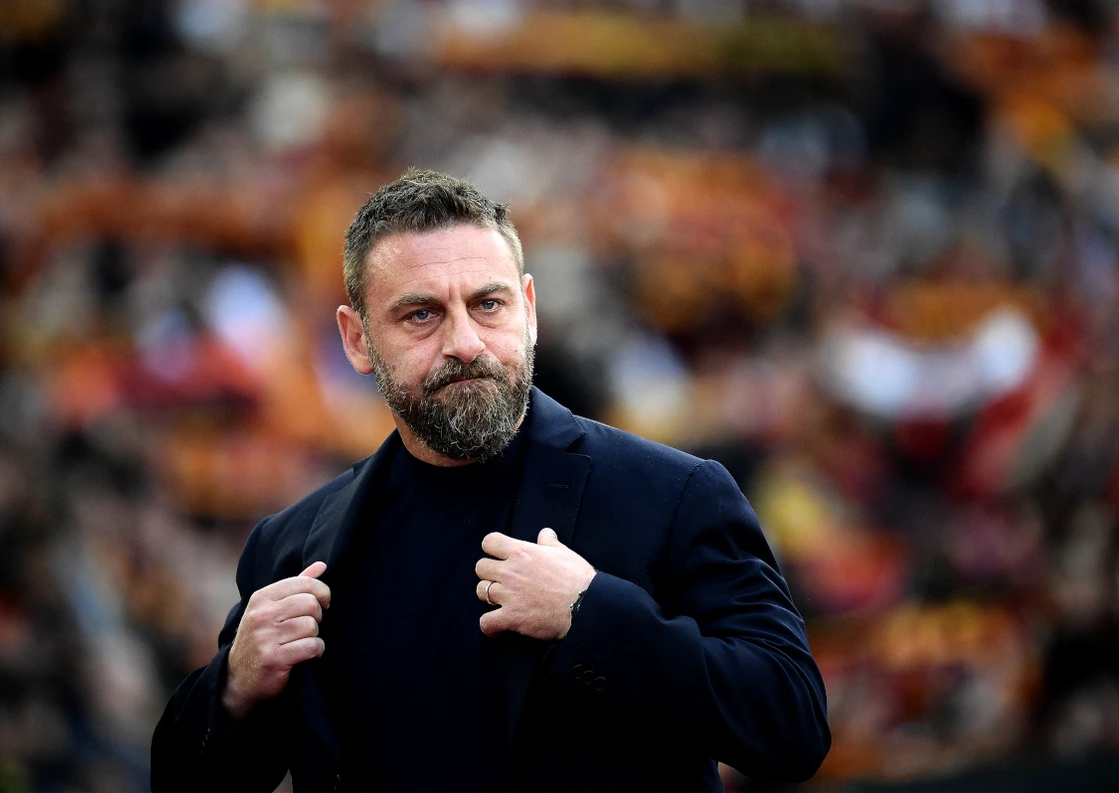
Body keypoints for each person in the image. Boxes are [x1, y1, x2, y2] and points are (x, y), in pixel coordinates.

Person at [151, 169, 830, 792]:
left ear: (529, 311)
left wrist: (590, 617)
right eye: (421, 314)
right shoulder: (292, 546)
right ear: (357, 340)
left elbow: (792, 723)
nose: (464, 342)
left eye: (488, 305)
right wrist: (233, 689)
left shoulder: (673, 495)